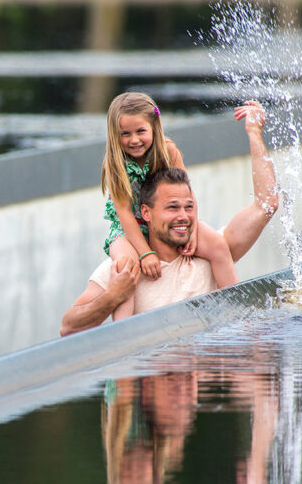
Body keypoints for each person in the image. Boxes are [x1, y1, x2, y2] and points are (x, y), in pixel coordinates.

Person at [60, 101, 277, 336]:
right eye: (172, 208)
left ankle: (240, 321)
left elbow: (267, 205)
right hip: (130, 242)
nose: (182, 216)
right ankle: (123, 337)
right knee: (125, 269)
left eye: (188, 207)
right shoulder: (125, 271)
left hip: (207, 362)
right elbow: (68, 328)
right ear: (146, 213)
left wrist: (254, 133)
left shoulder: (209, 249)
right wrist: (114, 294)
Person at [102, 92, 239, 321]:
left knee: (217, 244)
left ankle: (236, 311)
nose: (134, 140)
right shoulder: (114, 163)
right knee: (125, 267)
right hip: (129, 228)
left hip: (167, 221)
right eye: (125, 134)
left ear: (154, 127)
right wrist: (145, 253)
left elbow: (187, 193)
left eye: (141, 131)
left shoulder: (168, 151)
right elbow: (124, 213)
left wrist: (192, 229)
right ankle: (121, 331)